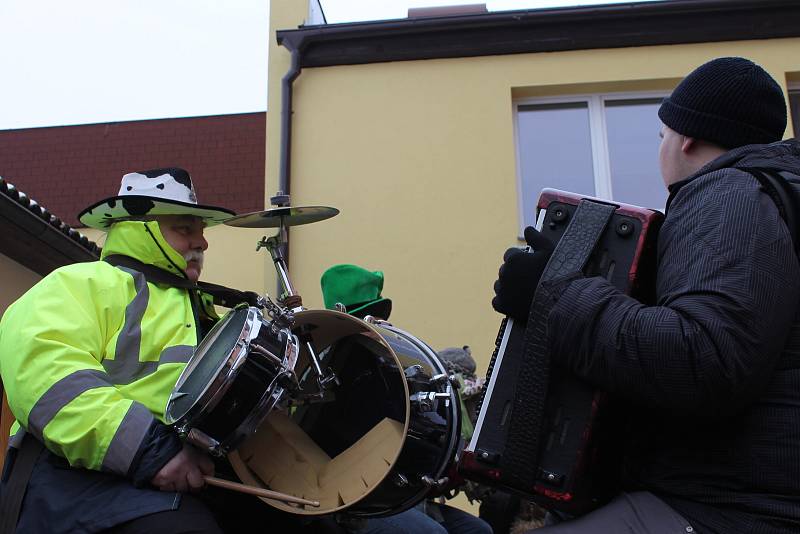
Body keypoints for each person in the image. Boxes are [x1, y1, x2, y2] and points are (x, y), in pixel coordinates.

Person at [492, 57, 800, 533]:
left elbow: (706, 361)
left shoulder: (728, 195)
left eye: (661, 137)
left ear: (687, 138)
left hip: (727, 509)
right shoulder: (767, 198)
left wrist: (549, 296)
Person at [0, 168, 336, 534]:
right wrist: (150, 450)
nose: (202, 242)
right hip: (72, 482)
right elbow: (46, 378)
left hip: (178, 477)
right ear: (140, 228)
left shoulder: (204, 309)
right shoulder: (80, 284)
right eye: (184, 229)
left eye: (201, 231)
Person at [320, 264, 493, 534]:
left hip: (399, 492)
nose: (382, 325)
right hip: (354, 497)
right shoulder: (336, 370)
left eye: (379, 317)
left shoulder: (383, 364)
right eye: (371, 317)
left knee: (478, 531)